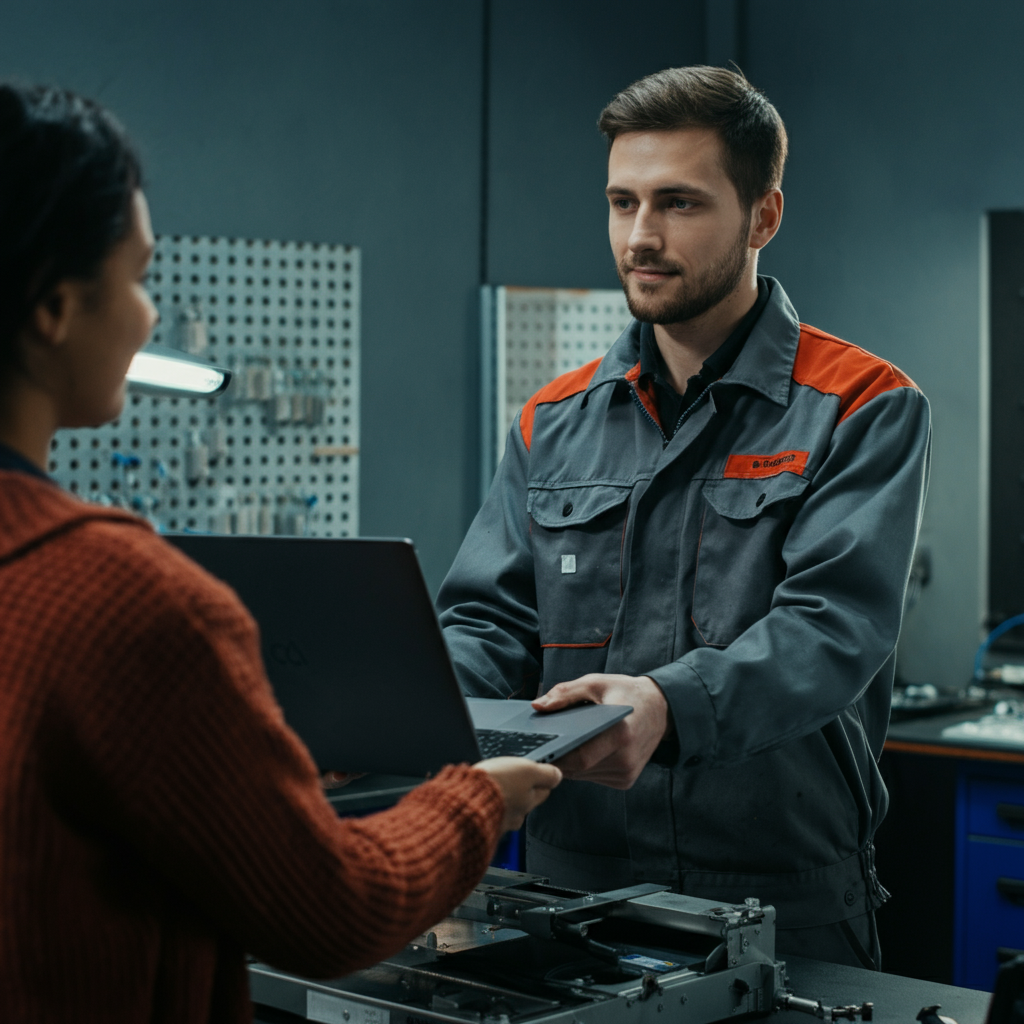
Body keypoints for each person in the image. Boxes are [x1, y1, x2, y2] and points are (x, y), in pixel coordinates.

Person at [0, 83, 561, 1023]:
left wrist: (248, 761)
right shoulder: (124, 598)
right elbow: (332, 910)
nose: (146, 316)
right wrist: (474, 803)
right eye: (139, 277)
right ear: (57, 307)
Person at [437, 65, 931, 970]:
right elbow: (490, 620)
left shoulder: (862, 403)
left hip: (781, 896)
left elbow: (834, 627)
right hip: (567, 889)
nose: (641, 236)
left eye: (679, 204)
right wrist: (410, 718)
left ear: (764, 217)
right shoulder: (552, 419)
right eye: (622, 202)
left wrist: (671, 705)